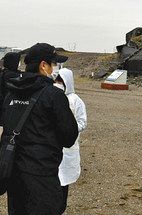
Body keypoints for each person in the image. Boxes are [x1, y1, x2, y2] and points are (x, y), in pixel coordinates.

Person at [0, 43, 78, 215]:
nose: (55, 69)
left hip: (13, 171)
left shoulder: (12, 91)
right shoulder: (54, 95)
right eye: (53, 64)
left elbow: (2, 121)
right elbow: (69, 137)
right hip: (41, 172)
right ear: (43, 65)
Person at [55, 68, 87, 213]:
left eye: (61, 81)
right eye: (57, 80)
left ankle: (61, 209)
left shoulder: (76, 100)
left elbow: (82, 122)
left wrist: (69, 129)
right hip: (52, 146)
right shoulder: (52, 97)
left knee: (64, 181)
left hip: (68, 148)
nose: (58, 83)